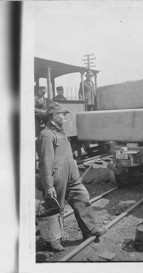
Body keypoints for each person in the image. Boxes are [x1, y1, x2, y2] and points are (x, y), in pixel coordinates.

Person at [36, 102, 107, 252]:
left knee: (82, 197)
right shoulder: (46, 135)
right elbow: (45, 162)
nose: (65, 117)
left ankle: (90, 229)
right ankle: (53, 240)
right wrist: (48, 186)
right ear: (54, 116)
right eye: (63, 114)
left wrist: (73, 165)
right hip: (57, 176)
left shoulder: (60, 132)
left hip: (71, 174)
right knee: (55, 207)